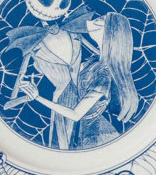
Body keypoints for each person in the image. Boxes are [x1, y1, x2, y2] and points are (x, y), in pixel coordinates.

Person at [18, 12, 139, 149]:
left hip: (98, 138)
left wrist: (37, 97)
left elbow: (76, 114)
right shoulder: (94, 61)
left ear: (110, 35)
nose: (91, 23)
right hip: (82, 134)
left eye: (99, 22)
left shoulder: (103, 74)